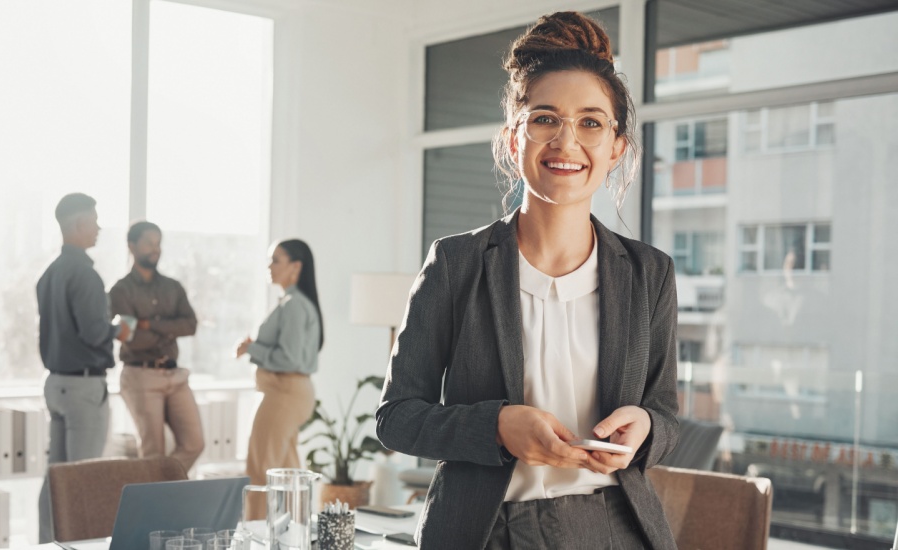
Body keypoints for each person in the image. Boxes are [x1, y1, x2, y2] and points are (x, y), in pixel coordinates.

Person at [375, 12, 679, 550]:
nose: (567, 141)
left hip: (616, 529)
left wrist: (646, 428)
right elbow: (397, 418)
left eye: (591, 122)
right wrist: (496, 426)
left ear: (616, 148)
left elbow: (665, 414)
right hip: (485, 531)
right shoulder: (455, 263)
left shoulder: (649, 273)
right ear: (514, 139)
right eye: (545, 119)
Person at [35, 193, 130, 543]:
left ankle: (47, 543)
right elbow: (93, 333)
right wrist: (119, 329)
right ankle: (82, 545)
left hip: (56, 385)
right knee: (84, 479)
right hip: (83, 389)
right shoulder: (85, 275)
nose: (99, 228)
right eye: (94, 221)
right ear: (78, 225)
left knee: (57, 477)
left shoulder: (49, 274)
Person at [235, 239, 322, 520]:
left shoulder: (295, 305)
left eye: (275, 260)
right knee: (287, 471)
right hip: (288, 392)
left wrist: (252, 348)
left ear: (296, 266)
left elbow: (289, 358)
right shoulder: (291, 302)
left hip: (284, 392)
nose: (269, 266)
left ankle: (257, 534)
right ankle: (294, 533)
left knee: (261, 470)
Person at [109, 221, 205, 471]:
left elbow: (191, 325)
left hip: (175, 374)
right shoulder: (120, 291)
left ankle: (161, 486)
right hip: (140, 374)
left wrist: (149, 324)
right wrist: (169, 329)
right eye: (149, 243)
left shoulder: (172, 287)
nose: (156, 249)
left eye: (159, 243)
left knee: (195, 443)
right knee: (152, 453)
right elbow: (132, 339)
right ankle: (157, 497)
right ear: (132, 246)